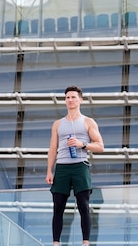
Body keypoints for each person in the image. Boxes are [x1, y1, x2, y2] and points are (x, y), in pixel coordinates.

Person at [46, 85, 104, 246]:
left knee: (83, 205)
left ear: (80, 100)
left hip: (80, 166)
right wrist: (49, 171)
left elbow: (100, 146)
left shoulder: (88, 122)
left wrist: (82, 144)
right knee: (58, 207)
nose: (70, 100)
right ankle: (56, 242)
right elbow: (52, 149)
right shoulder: (57, 124)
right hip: (62, 167)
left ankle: (85, 242)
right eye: (67, 97)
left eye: (73, 97)